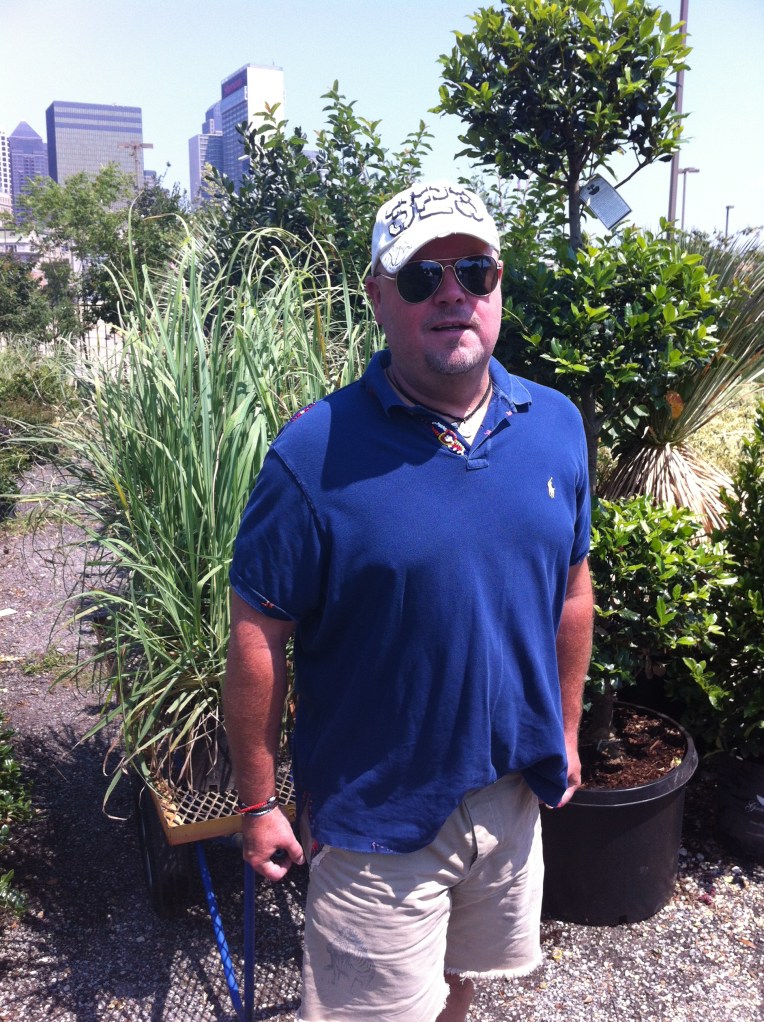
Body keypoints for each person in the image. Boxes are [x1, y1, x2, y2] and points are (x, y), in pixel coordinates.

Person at [224, 180, 594, 1022]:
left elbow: (573, 588)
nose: (454, 292)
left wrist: (566, 731)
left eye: (475, 270)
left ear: (499, 286)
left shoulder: (556, 423)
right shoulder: (313, 452)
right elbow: (258, 634)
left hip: (509, 798)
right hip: (377, 821)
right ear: (379, 297)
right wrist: (257, 799)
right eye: (423, 278)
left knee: (463, 987)